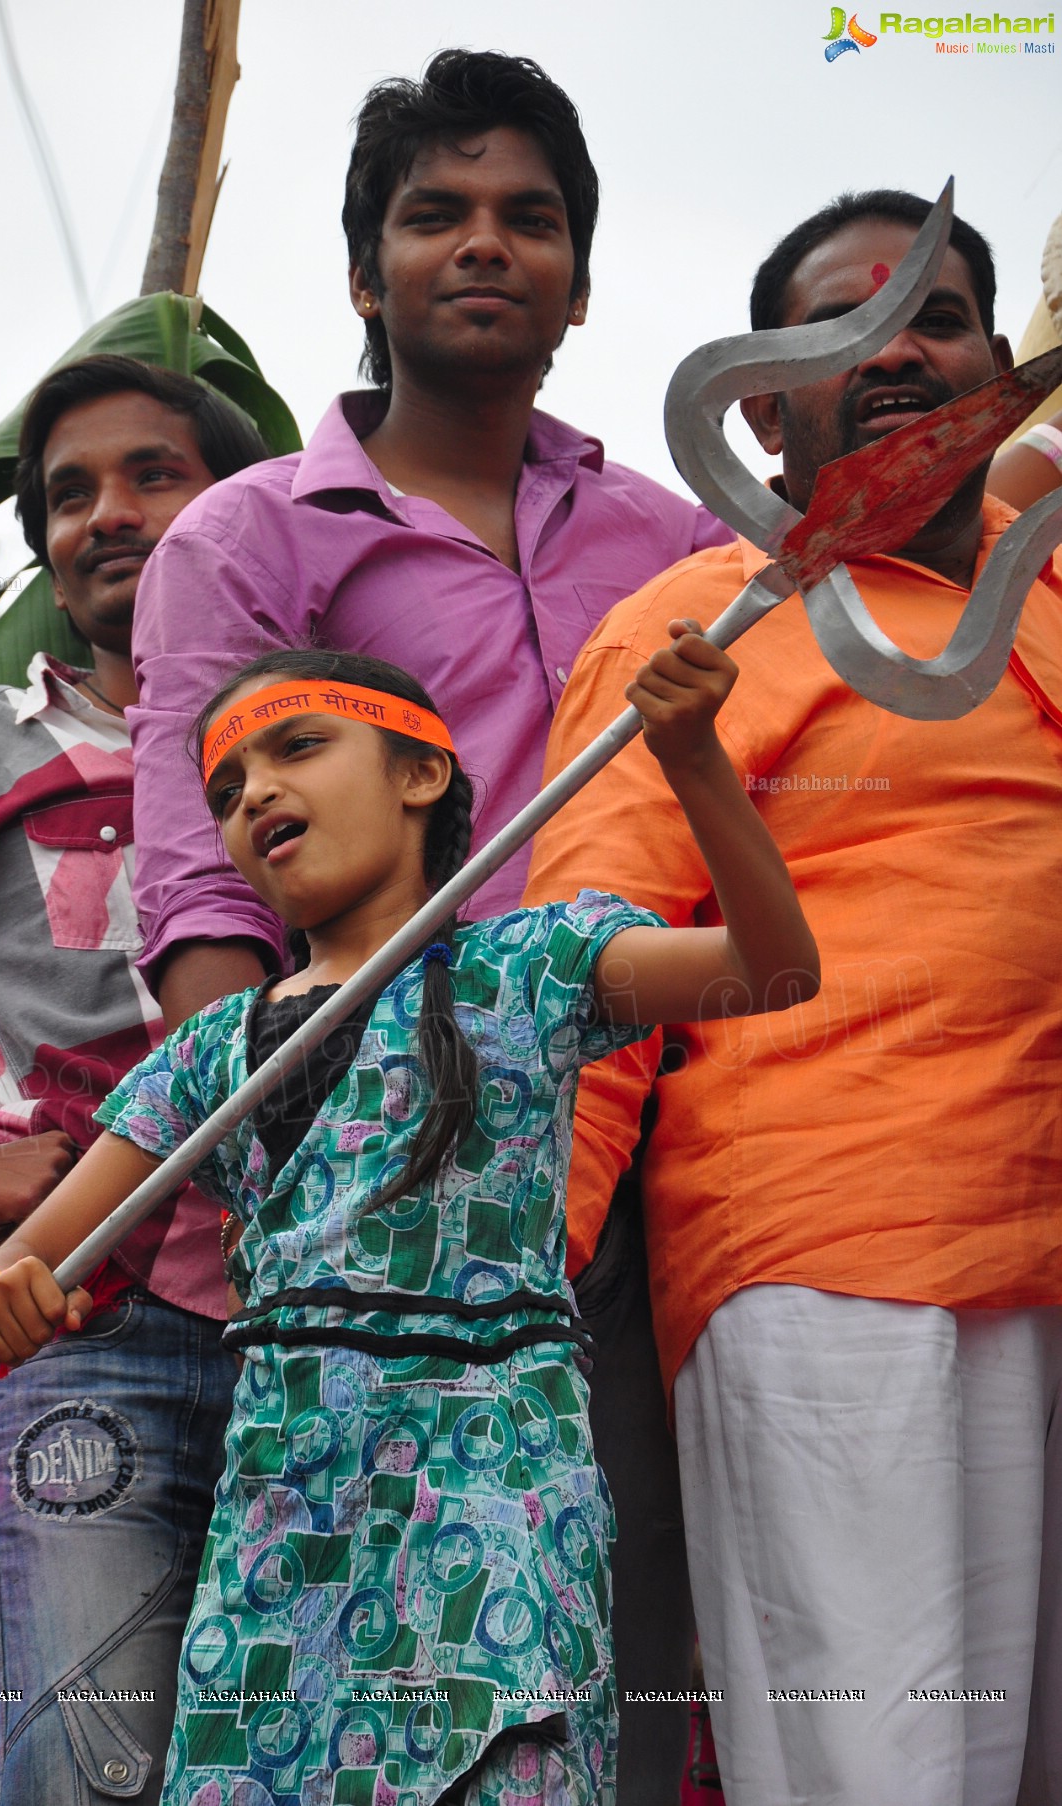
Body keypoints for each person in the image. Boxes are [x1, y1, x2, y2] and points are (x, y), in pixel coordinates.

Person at [128, 53, 730, 1789]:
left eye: (527, 218)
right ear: (358, 271)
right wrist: (304, 1168)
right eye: (435, 214)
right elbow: (197, 888)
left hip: (638, 1162)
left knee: (602, 1647)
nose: (485, 246)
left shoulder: (671, 540)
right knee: (334, 1679)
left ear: (580, 280)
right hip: (371, 1217)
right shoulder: (247, 537)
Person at [0, 642, 817, 1806]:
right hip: (284, 1523)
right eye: (225, 789)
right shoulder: (211, 1053)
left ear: (420, 777)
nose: (255, 791)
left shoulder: (531, 966)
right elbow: (31, 1255)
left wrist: (692, 759)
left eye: (297, 748)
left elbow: (770, 971)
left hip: (489, 1499)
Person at [523, 189, 1062, 1806]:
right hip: (819, 1274)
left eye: (937, 318)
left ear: (995, 367)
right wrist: (518, 1281)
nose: (897, 350)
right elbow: (579, 977)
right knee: (870, 1774)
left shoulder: (1043, 611)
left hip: (1042, 1265)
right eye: (839, 326)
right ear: (756, 407)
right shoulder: (689, 629)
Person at [0, 354, 267, 1804]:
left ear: (243, 507)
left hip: (348, 1339)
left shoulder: (332, 738)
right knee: (93, 1781)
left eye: (154, 474)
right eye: (66, 495)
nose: (105, 514)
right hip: (92, 1332)